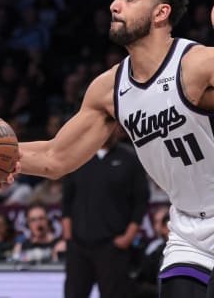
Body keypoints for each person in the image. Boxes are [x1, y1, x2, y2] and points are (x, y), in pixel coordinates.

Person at [19, 0, 214, 298]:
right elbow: (53, 158)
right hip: (187, 226)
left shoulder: (199, 64)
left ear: (161, 12)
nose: (114, 5)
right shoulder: (108, 89)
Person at [60, 125, 150, 298]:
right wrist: (69, 237)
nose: (107, 130)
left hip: (113, 246)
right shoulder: (78, 157)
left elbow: (141, 201)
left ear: (117, 129)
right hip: (78, 245)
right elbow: (67, 201)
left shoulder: (130, 158)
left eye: (111, 125)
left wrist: (127, 238)